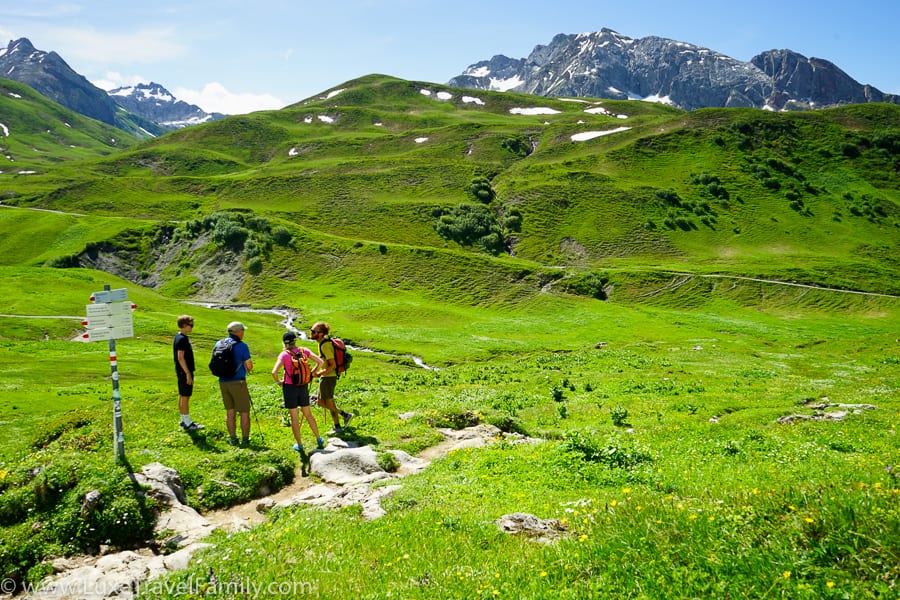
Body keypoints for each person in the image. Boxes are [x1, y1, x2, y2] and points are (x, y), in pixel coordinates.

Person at [272, 331, 326, 454]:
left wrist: (279, 382)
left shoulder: (284, 355)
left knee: (294, 419)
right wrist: (312, 372)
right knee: (308, 414)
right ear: (295, 341)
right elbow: (320, 362)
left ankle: (300, 446)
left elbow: (274, 372)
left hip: (289, 388)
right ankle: (319, 439)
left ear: (284, 343)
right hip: (303, 386)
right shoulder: (304, 351)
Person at [309, 321, 353, 433]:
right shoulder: (322, 343)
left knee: (329, 402)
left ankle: (339, 424)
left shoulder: (325, 345)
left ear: (321, 333)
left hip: (329, 377)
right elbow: (322, 360)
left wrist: (320, 373)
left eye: (314, 331)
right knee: (320, 402)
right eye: (311, 330)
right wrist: (314, 371)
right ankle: (343, 416)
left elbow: (333, 365)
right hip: (326, 377)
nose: (311, 333)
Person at [215, 321, 253, 446]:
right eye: (243, 331)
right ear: (239, 332)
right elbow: (249, 366)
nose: (244, 333)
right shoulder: (242, 346)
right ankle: (245, 440)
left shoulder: (219, 343)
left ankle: (232, 438)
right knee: (244, 411)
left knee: (230, 411)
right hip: (238, 382)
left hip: (223, 382)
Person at [173, 315, 204, 432]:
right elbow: (180, 357)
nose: (192, 327)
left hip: (181, 371)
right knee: (186, 396)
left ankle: (183, 419)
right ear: (184, 326)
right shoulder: (182, 339)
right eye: (191, 325)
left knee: (182, 395)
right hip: (184, 371)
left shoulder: (178, 336)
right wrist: (187, 373)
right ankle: (187, 423)